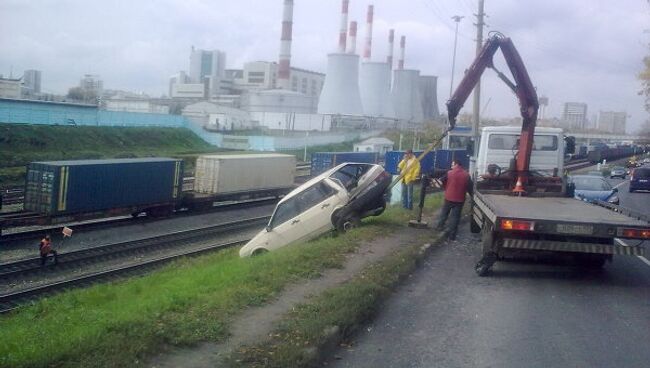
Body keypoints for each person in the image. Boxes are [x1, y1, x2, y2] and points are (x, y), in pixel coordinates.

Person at [434, 159, 473, 241]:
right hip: (459, 199)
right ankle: (452, 236)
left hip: (448, 197)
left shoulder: (449, 173)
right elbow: (470, 188)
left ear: (456, 164)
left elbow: (440, 182)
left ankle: (439, 227)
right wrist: (473, 197)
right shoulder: (466, 175)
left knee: (444, 213)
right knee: (455, 218)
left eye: (452, 165)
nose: (451, 166)